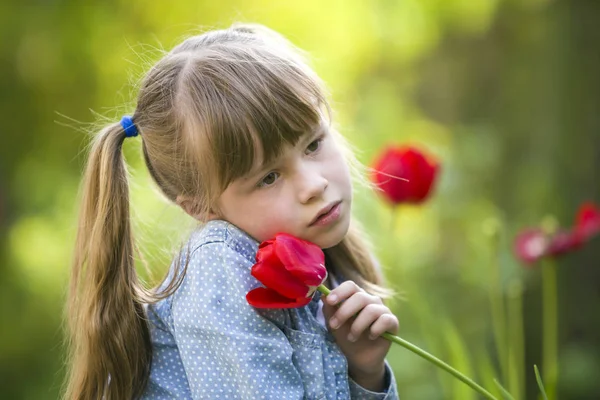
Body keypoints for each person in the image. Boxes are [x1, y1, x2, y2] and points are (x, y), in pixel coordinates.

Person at [65, 22, 400, 400]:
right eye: (269, 177)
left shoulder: (324, 264)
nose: (313, 185)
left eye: (313, 144)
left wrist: (366, 373)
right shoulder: (219, 267)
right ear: (201, 207)